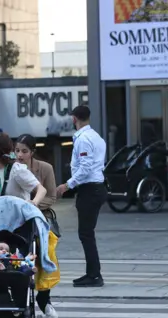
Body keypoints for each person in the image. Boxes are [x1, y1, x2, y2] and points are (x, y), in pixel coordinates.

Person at [56, 105, 107, 288]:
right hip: (96, 188)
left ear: (74, 119)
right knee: (87, 233)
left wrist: (66, 185)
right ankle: (92, 273)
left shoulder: (83, 139)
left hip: (89, 190)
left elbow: (85, 168)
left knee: (86, 233)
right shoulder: (97, 137)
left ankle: (94, 275)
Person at [14, 133, 60, 318]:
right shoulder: (11, 168)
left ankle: (44, 299)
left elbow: (51, 196)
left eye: (24, 151)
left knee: (45, 257)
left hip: (39, 217)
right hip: (16, 220)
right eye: (17, 150)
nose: (20, 155)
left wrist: (32, 205)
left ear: (32, 152)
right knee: (17, 259)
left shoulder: (45, 168)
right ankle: (19, 300)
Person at [0, 133, 47, 204]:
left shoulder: (17, 170)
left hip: (19, 212)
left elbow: (41, 190)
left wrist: (34, 202)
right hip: (1, 212)